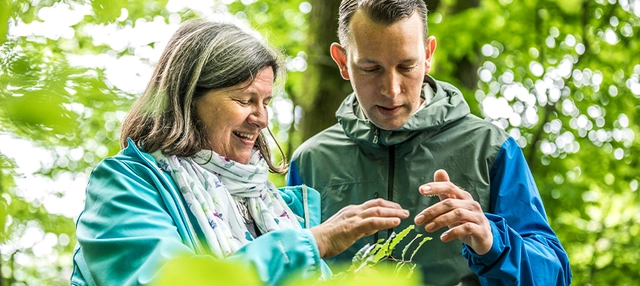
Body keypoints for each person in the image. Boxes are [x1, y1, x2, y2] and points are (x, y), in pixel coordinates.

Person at [70, 18, 410, 286]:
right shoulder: (124, 186)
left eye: (266, 102)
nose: (261, 119)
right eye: (245, 99)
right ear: (189, 98)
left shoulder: (266, 204)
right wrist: (310, 244)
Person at [287, 0, 572, 285]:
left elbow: (555, 275)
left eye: (407, 66)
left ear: (428, 55)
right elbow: (279, 272)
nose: (391, 89)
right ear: (342, 61)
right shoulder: (310, 161)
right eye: (371, 69)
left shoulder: (491, 149)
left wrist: (493, 242)